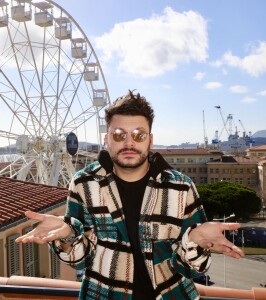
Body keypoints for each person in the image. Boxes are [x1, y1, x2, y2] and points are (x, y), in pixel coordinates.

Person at [16, 90, 244, 300]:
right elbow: (80, 260)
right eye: (118, 135)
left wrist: (194, 241)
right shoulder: (84, 184)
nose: (128, 142)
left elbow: (191, 268)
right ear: (106, 140)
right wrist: (66, 236)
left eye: (138, 135)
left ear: (150, 140)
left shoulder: (181, 187)